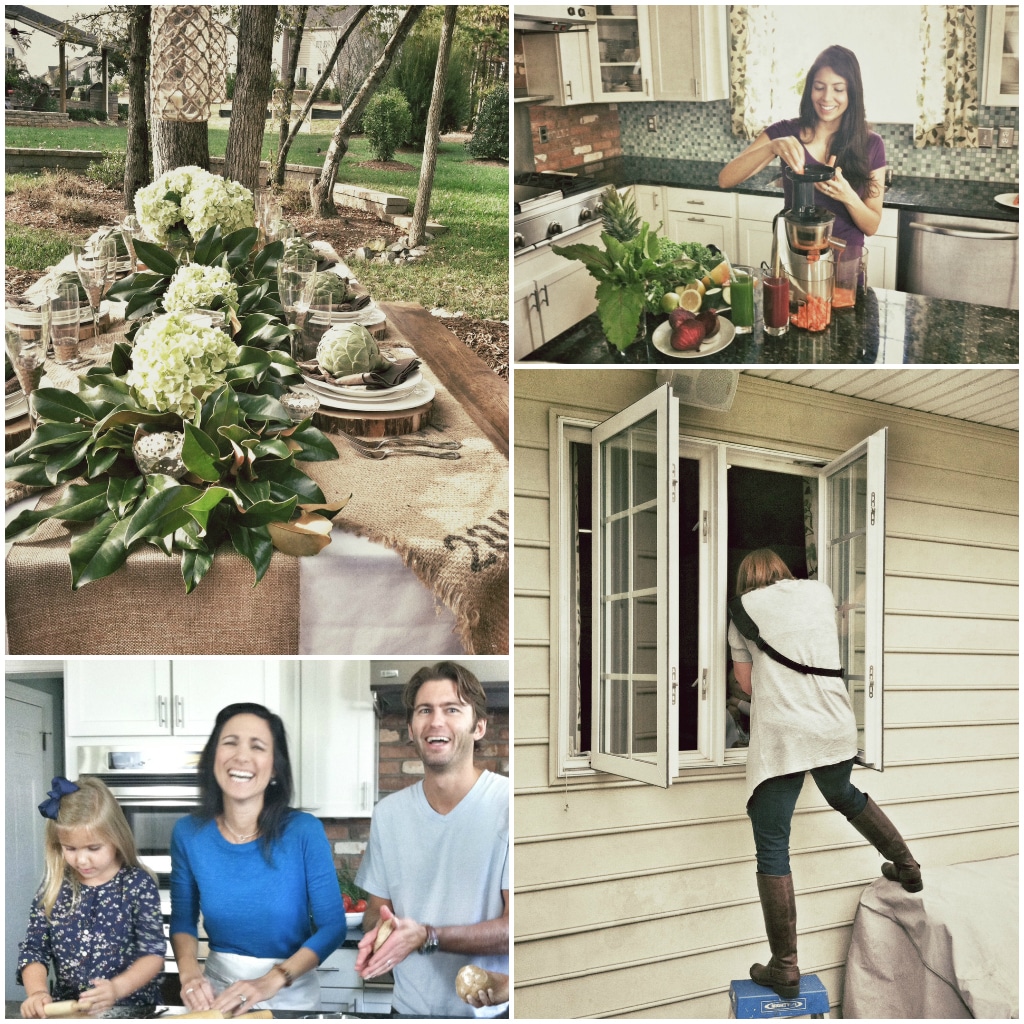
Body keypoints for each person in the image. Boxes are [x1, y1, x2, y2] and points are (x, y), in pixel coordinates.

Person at [729, 549, 923, 999]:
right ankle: (908, 867)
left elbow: (748, 685)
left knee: (773, 843)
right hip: (833, 722)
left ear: (747, 578)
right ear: (781, 569)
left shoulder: (742, 609)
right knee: (844, 794)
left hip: (785, 734)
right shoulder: (818, 593)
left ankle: (785, 966)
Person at [355, 662, 509, 1018]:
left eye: (452, 709)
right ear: (412, 728)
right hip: (406, 1011)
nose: (436, 721)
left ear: (479, 727)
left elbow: (515, 927)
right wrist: (378, 936)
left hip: (487, 1015)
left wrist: (427, 935)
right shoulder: (389, 814)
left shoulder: (507, 805)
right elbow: (377, 914)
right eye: (425, 710)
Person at [170, 702, 345, 1014]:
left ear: (275, 767)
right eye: (230, 742)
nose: (241, 756)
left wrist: (270, 980)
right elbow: (183, 920)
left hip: (290, 995)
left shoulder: (305, 831)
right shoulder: (188, 833)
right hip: (217, 997)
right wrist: (189, 975)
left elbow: (333, 928)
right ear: (213, 756)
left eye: (258, 746)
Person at [18, 776, 165, 1018]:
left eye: (93, 848)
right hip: (70, 1013)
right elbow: (35, 950)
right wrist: (37, 992)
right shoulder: (53, 887)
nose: (82, 860)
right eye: (70, 849)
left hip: (133, 1011)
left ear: (116, 838)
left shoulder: (137, 884)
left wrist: (116, 988)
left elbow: (152, 954)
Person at [718, 45, 886, 249]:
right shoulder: (784, 132)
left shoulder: (872, 144)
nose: (826, 97)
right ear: (809, 90)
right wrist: (771, 147)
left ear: (852, 93)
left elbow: (871, 226)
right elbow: (726, 179)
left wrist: (847, 196)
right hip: (793, 259)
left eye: (838, 89)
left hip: (845, 263)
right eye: (819, 87)